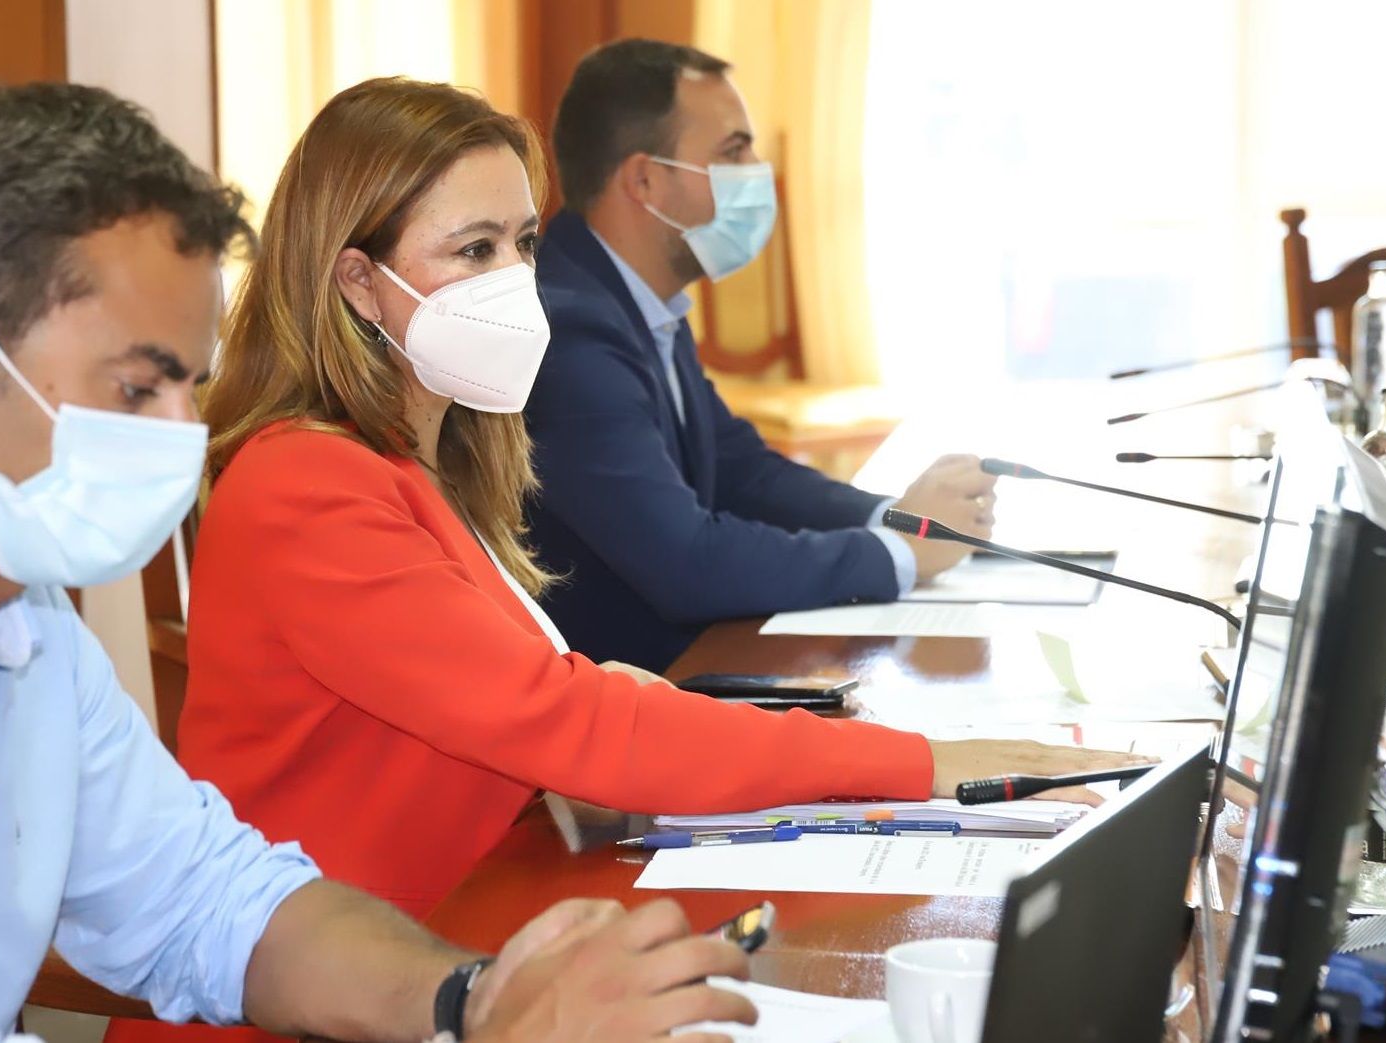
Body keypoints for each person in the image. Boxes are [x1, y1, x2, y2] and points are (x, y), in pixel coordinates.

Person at [0, 83, 770, 1043]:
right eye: (136, 386)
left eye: (190, 385)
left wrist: (479, 998)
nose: (182, 438)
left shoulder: (21, 626)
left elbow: (215, 900)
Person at [126, 75, 1139, 1043]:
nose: (515, 280)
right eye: (472, 249)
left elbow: (520, 709)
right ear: (358, 282)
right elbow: (558, 717)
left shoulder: (422, 459)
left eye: (522, 242)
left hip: (464, 934)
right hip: (334, 994)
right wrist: (926, 765)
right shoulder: (307, 481)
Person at [525, 39, 998, 672]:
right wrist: (899, 554)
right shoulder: (572, 331)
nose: (757, 171)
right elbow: (686, 561)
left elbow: (742, 471)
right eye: (733, 151)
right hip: (633, 697)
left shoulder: (636, 300)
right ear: (644, 180)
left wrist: (899, 517)